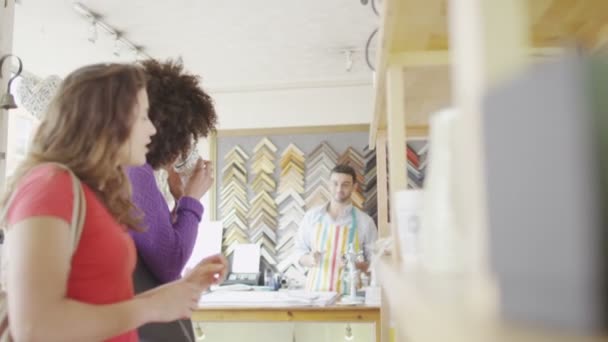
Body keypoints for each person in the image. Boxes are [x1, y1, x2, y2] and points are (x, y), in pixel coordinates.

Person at [0, 63, 227, 342]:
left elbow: (105, 297)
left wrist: (180, 290)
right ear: (110, 120)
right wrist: (153, 306)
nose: (153, 129)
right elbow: (36, 328)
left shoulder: (88, 193)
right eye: (143, 116)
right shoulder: (50, 185)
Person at [126, 59, 218, 341]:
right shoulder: (133, 170)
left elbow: (153, 247)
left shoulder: (125, 170)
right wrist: (192, 200)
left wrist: (180, 203)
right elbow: (169, 263)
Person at [294, 164, 378, 293]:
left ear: (354, 187)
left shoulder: (365, 222)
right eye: (335, 183)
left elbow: (376, 264)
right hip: (316, 298)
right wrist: (309, 259)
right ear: (329, 184)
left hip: (351, 299)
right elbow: (298, 252)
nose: (339, 189)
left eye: (345, 184)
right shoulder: (311, 217)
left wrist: (356, 265)